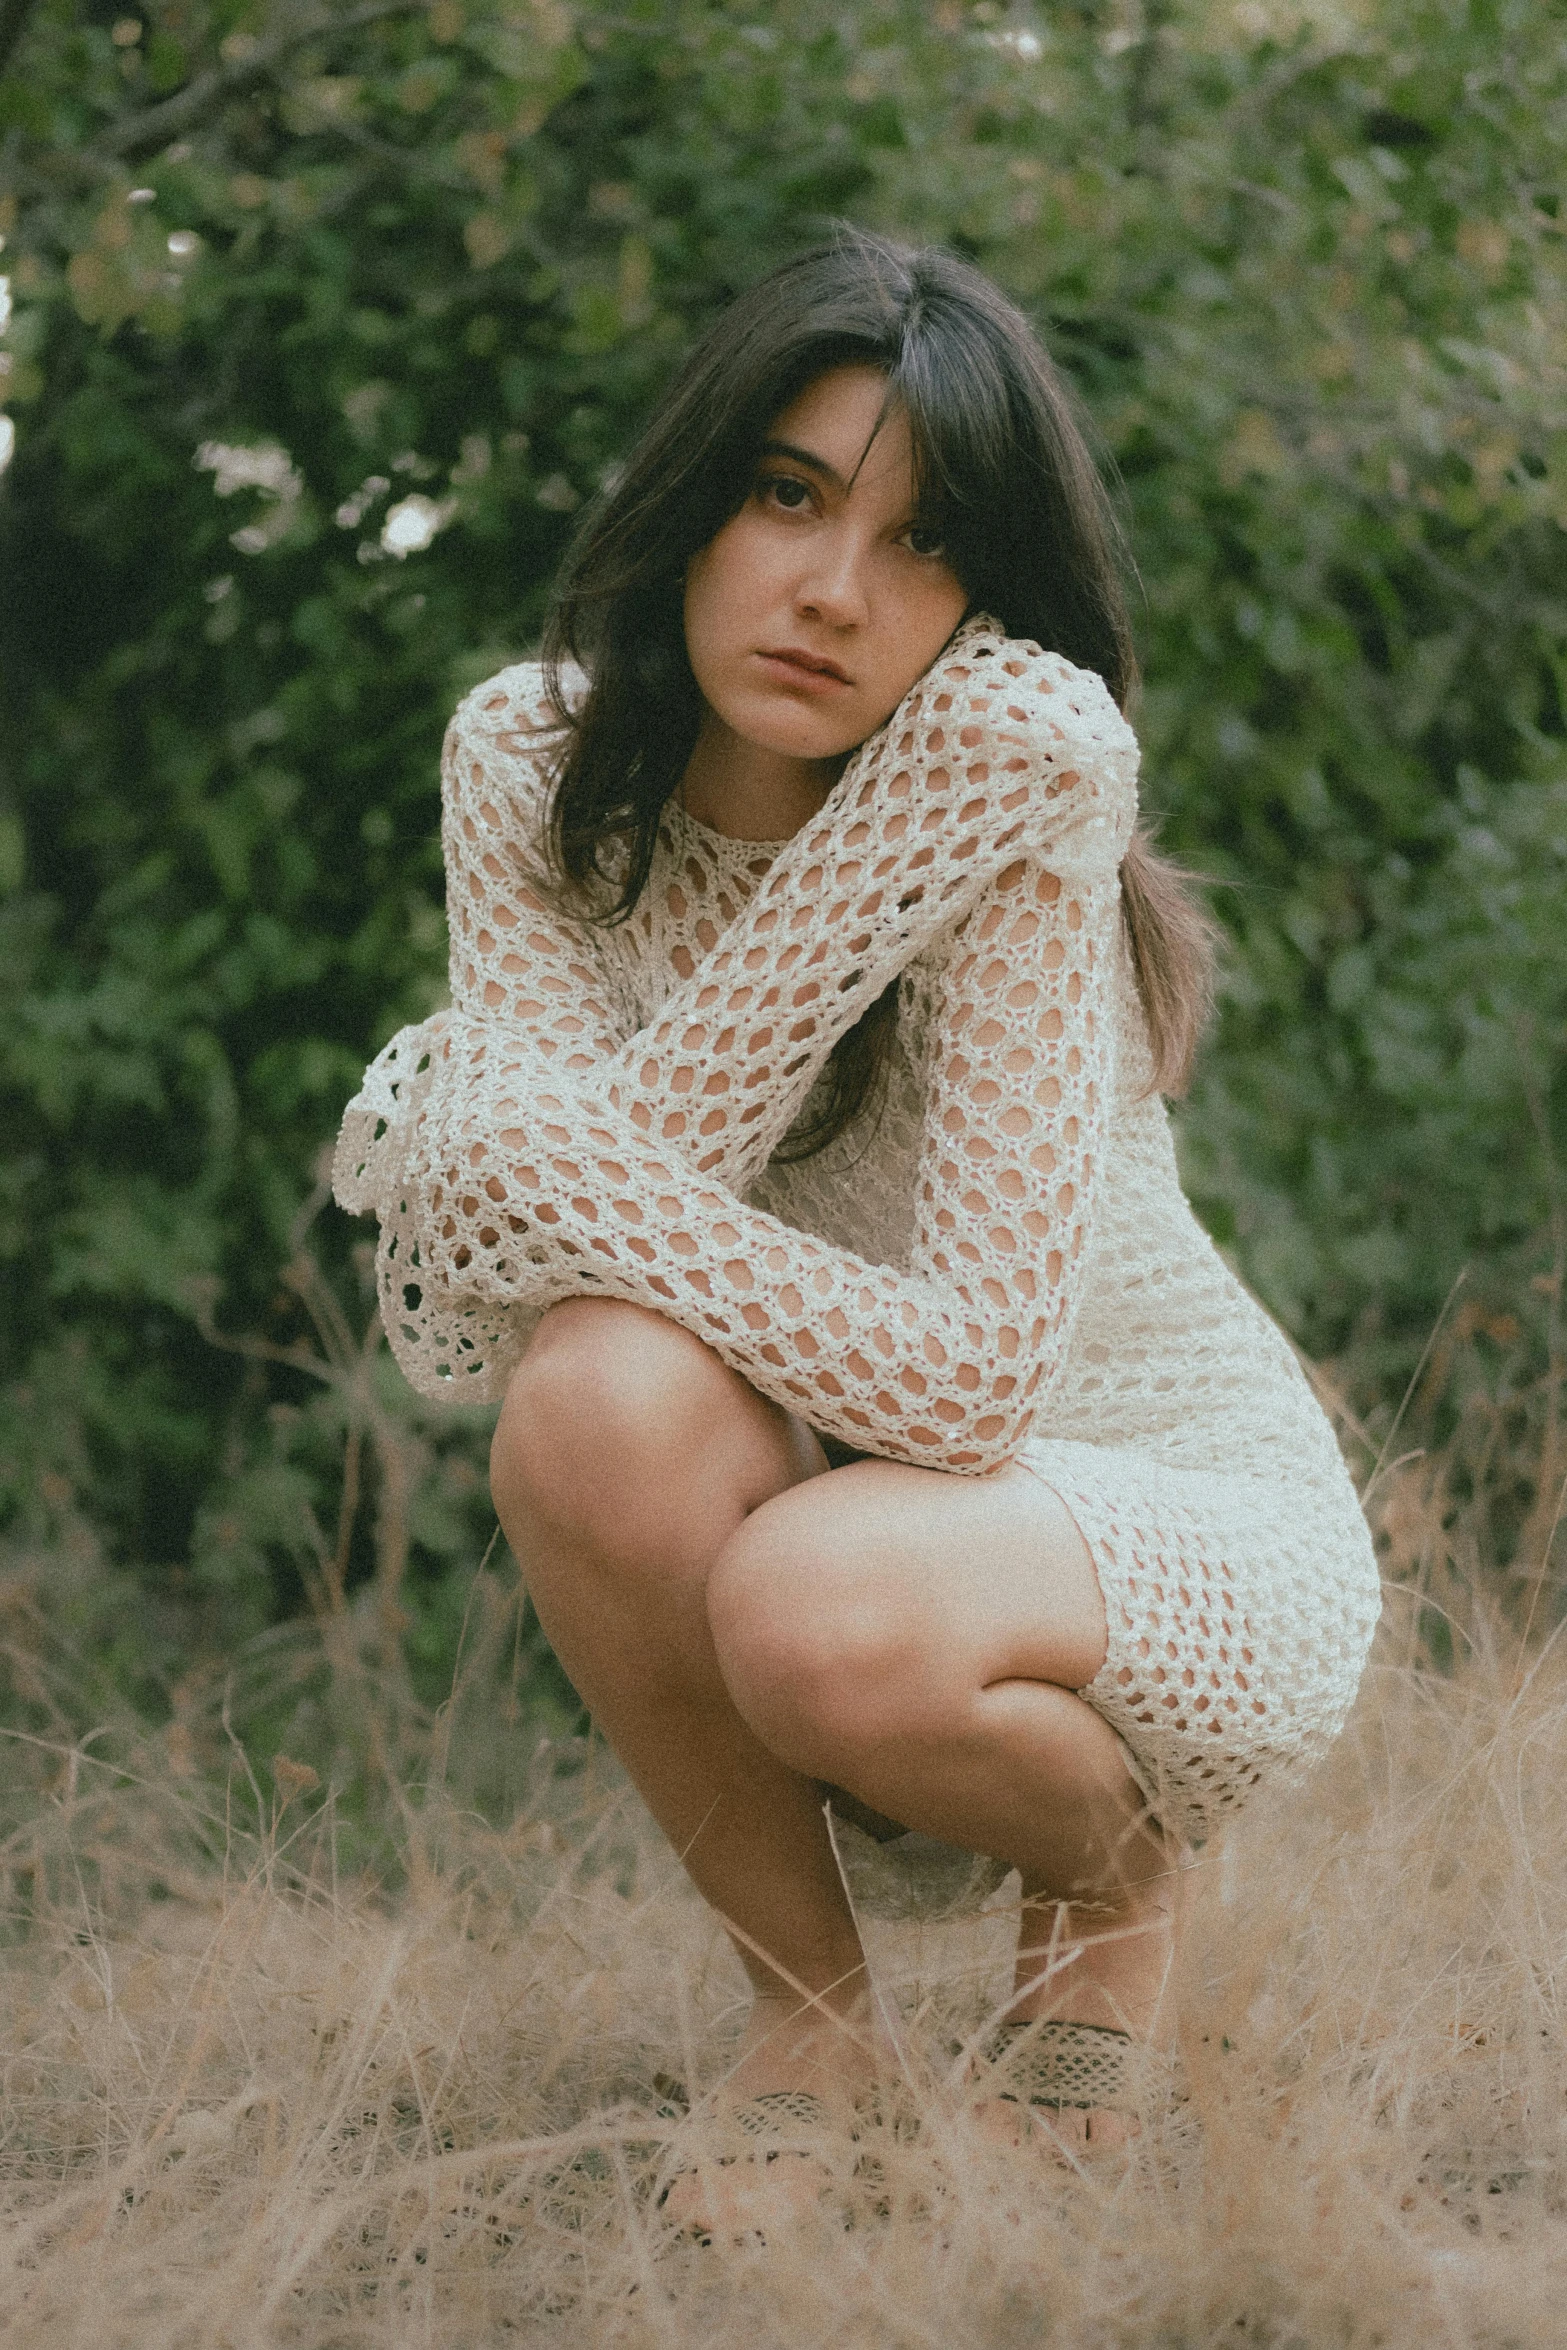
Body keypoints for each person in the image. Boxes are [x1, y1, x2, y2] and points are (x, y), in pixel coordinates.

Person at [333, 231, 1381, 2186]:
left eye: (923, 545)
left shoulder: (1003, 801)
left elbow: (978, 1384)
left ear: (991, 608)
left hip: (1168, 1501)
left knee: (813, 1597)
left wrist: (532, 1140)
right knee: (591, 1397)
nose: (833, 591)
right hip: (852, 1471)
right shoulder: (535, 757)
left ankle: (1115, 1886)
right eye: (793, 494)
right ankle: (806, 2009)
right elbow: (508, 1284)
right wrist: (857, 870)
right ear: (701, 495)